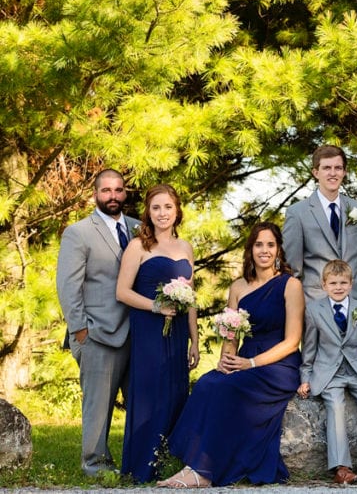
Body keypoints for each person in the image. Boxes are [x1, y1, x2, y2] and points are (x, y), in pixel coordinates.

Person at [158, 222, 303, 488]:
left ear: (279, 249)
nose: (265, 250)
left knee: (228, 390)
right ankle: (191, 463)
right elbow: (230, 334)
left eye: (270, 245)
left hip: (278, 365)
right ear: (251, 249)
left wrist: (250, 363)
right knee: (208, 384)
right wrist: (226, 361)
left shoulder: (290, 285)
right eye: (259, 244)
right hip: (244, 358)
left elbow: (293, 341)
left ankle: (204, 472)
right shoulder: (238, 286)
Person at [56, 169, 140, 476]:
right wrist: (81, 331)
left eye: (118, 190)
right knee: (98, 408)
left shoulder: (138, 228)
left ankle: (141, 463)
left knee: (141, 402)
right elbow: (68, 286)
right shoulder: (78, 233)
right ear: (95, 194)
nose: (113, 196)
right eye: (106, 191)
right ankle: (96, 466)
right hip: (97, 333)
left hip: (137, 334)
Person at [116, 184, 200, 482]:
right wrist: (155, 307)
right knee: (150, 393)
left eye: (168, 207)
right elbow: (122, 292)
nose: (162, 213)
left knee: (177, 391)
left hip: (177, 331)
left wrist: (195, 340)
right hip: (150, 329)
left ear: (177, 210)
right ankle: (141, 465)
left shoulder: (186, 247)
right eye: (156, 208)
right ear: (148, 213)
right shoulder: (138, 246)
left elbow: (190, 297)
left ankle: (169, 463)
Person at [298, 259, 357, 485]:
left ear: (351, 284)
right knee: (335, 406)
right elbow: (308, 349)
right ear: (324, 285)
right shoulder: (313, 310)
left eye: (343, 283)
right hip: (330, 373)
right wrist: (306, 378)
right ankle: (342, 468)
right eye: (333, 283)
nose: (338, 287)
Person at [283, 145, 357, 301]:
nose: (333, 173)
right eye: (326, 168)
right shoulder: (297, 213)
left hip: (355, 304)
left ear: (344, 172)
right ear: (316, 172)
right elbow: (292, 271)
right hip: (315, 305)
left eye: (338, 168)